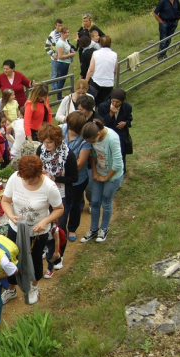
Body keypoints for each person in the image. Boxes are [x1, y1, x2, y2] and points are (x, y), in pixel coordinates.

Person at [0, 155, 63, 305]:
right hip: (16, 228)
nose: (28, 182)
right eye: (25, 179)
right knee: (11, 259)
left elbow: (59, 209)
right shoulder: (14, 178)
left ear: (40, 173)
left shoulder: (49, 187)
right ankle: (11, 289)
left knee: (35, 260)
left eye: (32, 179)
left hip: (37, 232)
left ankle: (34, 287)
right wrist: (10, 215)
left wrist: (45, 220)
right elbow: (6, 201)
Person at [36, 123, 78, 272]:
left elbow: (74, 177)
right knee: (45, 226)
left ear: (57, 141)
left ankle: (59, 255)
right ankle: (47, 250)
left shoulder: (68, 155)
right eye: (44, 141)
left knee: (59, 227)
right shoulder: (40, 150)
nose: (45, 145)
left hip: (62, 196)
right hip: (44, 195)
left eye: (49, 142)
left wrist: (55, 179)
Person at [80, 120, 124, 243]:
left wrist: (106, 178)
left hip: (113, 176)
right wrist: (94, 172)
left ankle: (104, 229)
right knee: (94, 202)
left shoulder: (112, 138)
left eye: (92, 141)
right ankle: (93, 229)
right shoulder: (93, 138)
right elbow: (93, 155)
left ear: (98, 134)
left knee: (106, 202)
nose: (91, 143)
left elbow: (118, 163)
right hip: (99, 173)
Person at [60, 111, 92, 243]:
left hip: (77, 180)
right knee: (60, 204)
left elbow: (79, 164)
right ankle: (59, 229)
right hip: (61, 179)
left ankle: (72, 228)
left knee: (74, 205)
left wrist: (58, 169)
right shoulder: (61, 130)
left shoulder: (85, 140)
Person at [98, 88, 133, 174]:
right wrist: (110, 114)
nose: (114, 104)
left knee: (121, 152)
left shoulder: (127, 107)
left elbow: (129, 118)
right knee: (108, 153)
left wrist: (125, 123)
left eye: (117, 102)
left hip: (121, 134)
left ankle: (121, 171)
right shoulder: (103, 107)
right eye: (113, 101)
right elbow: (101, 123)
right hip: (107, 134)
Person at [86, 36, 118, 107]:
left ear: (100, 43)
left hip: (96, 81)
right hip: (108, 83)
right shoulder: (114, 55)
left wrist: (86, 81)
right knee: (105, 104)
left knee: (91, 102)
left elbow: (91, 70)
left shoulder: (95, 53)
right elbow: (115, 70)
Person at [55, 27, 76, 101]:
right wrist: (70, 55)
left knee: (62, 80)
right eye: (65, 33)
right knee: (61, 80)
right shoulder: (60, 43)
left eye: (68, 32)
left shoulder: (65, 41)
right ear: (62, 33)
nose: (67, 34)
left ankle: (59, 95)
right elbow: (60, 56)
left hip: (66, 63)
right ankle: (59, 96)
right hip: (62, 63)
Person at [45, 19, 63, 95]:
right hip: (55, 58)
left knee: (60, 73)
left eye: (61, 25)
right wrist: (53, 54)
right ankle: (54, 87)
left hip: (62, 58)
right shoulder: (52, 35)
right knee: (54, 73)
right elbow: (47, 46)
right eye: (59, 26)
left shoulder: (63, 34)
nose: (60, 27)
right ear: (56, 25)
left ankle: (59, 86)